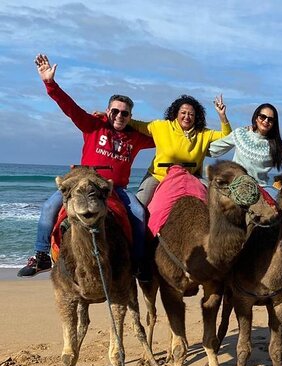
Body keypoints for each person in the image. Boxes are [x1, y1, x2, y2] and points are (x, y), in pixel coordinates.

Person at [18, 53, 155, 277]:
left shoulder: (135, 138)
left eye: (125, 113)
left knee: (139, 213)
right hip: (83, 182)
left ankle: (138, 262)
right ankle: (41, 256)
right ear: (108, 110)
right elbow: (70, 107)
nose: (119, 115)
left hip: (114, 188)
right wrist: (50, 83)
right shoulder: (92, 125)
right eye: (115, 111)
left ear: (130, 116)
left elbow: (167, 136)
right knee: (49, 208)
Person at [131, 94, 232, 206]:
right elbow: (134, 124)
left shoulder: (203, 133)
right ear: (176, 114)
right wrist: (111, 116)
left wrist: (222, 115)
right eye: (183, 113)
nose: (187, 117)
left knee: (218, 201)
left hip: (192, 176)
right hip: (158, 176)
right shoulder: (160, 126)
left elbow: (227, 136)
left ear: (196, 117)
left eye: (191, 114)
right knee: (138, 209)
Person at [208, 103, 282, 191]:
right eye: (263, 117)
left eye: (270, 119)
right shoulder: (240, 134)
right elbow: (214, 150)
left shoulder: (277, 145)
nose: (266, 121)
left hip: (262, 189)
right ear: (256, 118)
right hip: (235, 187)